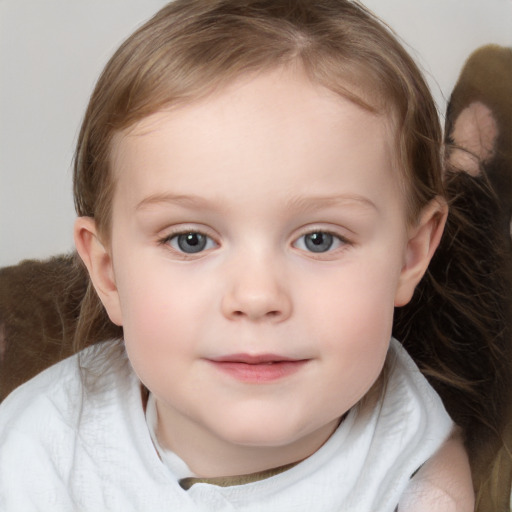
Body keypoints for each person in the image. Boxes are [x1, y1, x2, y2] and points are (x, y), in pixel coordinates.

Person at [0, 1, 477, 510]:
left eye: (320, 239)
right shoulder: (41, 451)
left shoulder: (405, 447)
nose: (256, 297)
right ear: (109, 273)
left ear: (411, 254)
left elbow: (432, 457)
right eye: (191, 240)